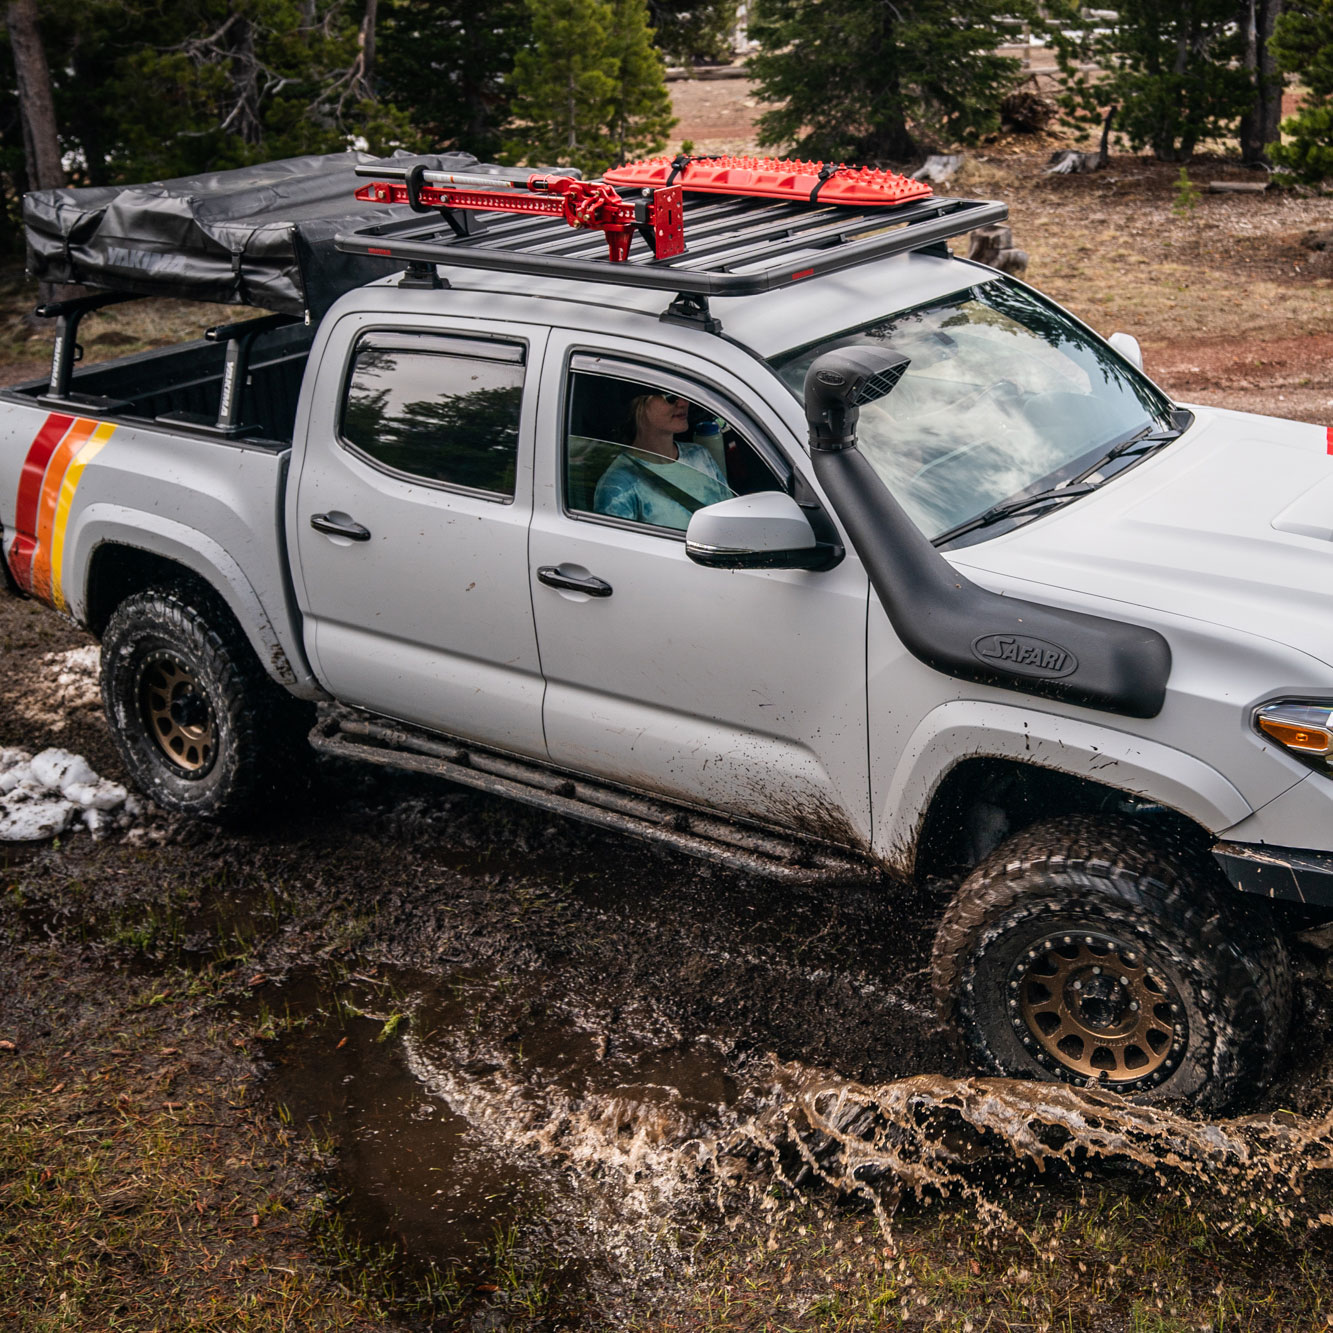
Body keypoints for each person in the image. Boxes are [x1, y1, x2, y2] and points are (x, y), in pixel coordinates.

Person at [593, 391, 732, 529]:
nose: (684, 402)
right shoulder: (617, 485)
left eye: (683, 393)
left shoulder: (700, 455)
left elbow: (731, 516)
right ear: (638, 404)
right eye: (670, 396)